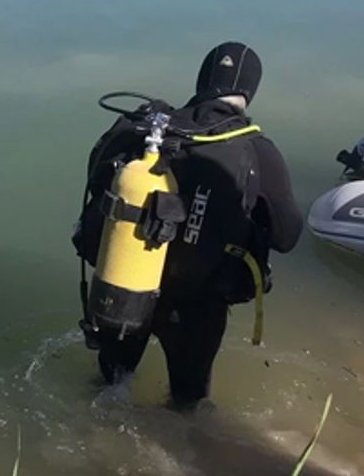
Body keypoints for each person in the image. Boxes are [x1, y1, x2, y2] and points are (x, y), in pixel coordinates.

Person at [72, 42, 303, 410]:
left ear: (201, 79)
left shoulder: (141, 130)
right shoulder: (256, 151)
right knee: (185, 403)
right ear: (249, 91)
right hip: (196, 307)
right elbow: (287, 237)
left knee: (109, 387)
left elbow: (95, 183)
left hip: (125, 285)